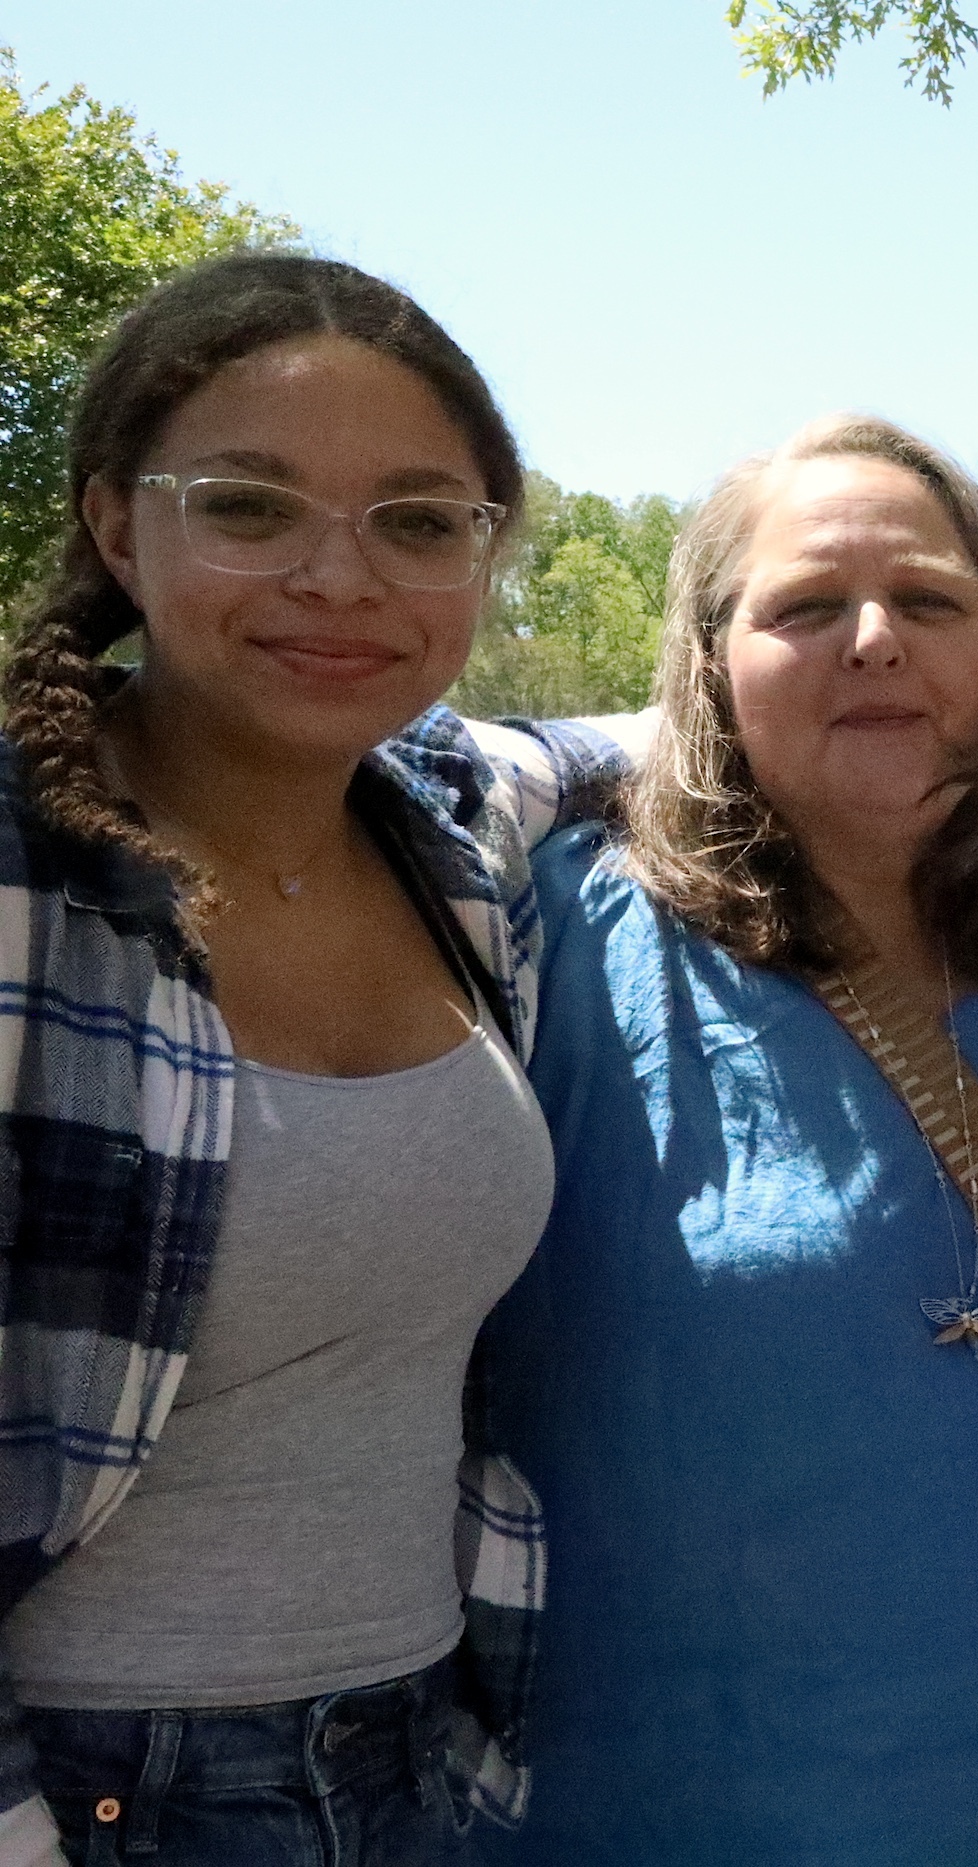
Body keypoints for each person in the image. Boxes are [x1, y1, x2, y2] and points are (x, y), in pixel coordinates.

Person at [0, 254, 629, 1866]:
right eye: (250, 506)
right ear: (112, 526)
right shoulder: (20, 876)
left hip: (423, 1746)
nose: (341, 579)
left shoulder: (449, 823)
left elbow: (641, 741)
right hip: (91, 1791)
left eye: (420, 523)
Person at [469, 413, 978, 1865]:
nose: (876, 640)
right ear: (710, 658)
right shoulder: (547, 927)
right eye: (804, 607)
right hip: (650, 1807)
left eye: (931, 601)